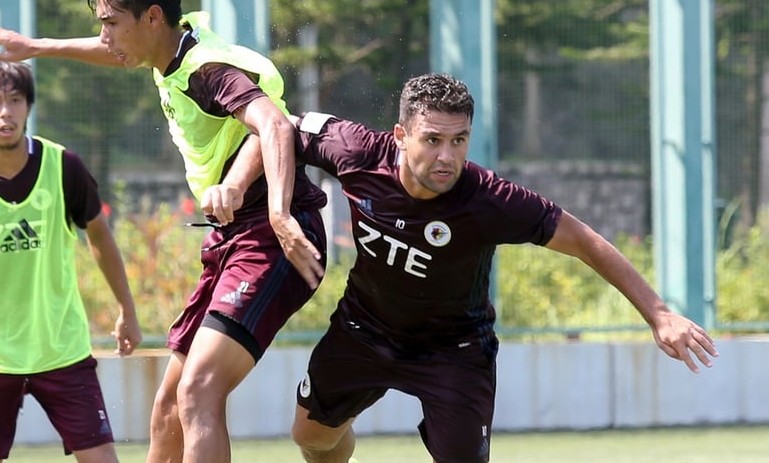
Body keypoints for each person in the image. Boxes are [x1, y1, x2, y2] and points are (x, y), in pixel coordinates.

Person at [225, 72, 719, 463]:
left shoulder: (490, 200)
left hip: (454, 352)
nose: (447, 156)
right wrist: (242, 191)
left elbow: (586, 241)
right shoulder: (356, 151)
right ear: (400, 136)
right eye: (433, 140)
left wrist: (659, 314)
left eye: (459, 141)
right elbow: (277, 124)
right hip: (363, 331)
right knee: (311, 437)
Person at [0, 0, 329, 463]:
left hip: (273, 236)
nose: (105, 36)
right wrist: (34, 46)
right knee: (168, 408)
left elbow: (275, 122)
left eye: (111, 23)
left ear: (153, 17)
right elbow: (114, 52)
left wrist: (274, 210)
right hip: (232, 236)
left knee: (198, 390)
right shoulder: (171, 47)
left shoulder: (205, 70)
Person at [0, 60, 142, 463]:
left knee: (102, 458)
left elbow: (100, 236)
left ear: (29, 107)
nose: (6, 112)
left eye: (16, 100)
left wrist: (127, 309)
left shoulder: (64, 167)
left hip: (60, 347)